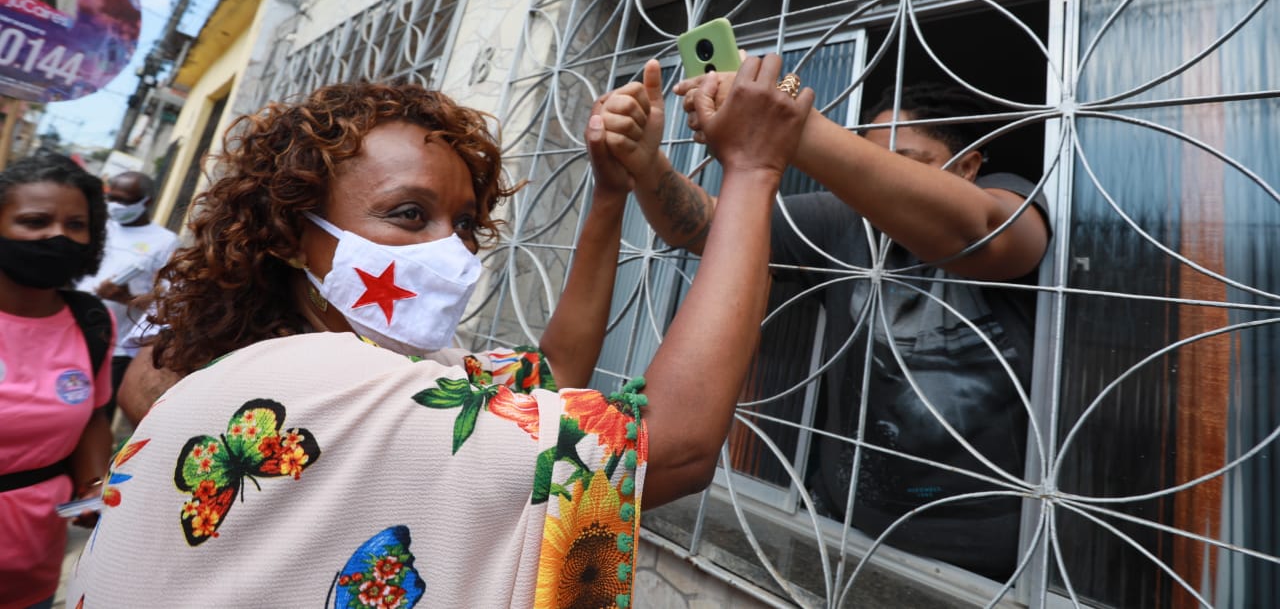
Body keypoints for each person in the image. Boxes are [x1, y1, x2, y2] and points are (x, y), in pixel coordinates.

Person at [69, 61, 812, 607]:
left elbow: (549, 375)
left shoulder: (346, 366)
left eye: (460, 223)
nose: (448, 251)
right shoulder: (323, 379)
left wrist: (610, 194)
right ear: (293, 234)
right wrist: (752, 170)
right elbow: (674, 448)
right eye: (407, 214)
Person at [595, 60, 1050, 581]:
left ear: (968, 168)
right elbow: (706, 226)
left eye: (908, 161)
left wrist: (785, 122)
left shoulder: (1010, 196)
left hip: (993, 555)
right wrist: (647, 165)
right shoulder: (845, 220)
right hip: (841, 529)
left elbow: (986, 233)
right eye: (870, 159)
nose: (877, 178)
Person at [0, 153, 115, 609]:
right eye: (35, 221)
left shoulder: (92, 321)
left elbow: (93, 416)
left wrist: (92, 487)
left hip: (33, 569)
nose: (58, 236)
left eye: (75, 225)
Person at [74, 171, 178, 424]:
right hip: (74, 333)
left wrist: (125, 298)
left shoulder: (165, 242)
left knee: (94, 416)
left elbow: (167, 299)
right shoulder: (99, 226)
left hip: (116, 347)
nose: (117, 206)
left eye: (126, 200)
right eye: (113, 197)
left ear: (147, 201)